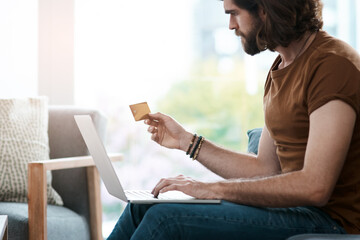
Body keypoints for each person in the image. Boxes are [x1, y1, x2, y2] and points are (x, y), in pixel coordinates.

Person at [108, 0, 360, 239]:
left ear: (265, 10)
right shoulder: (280, 68)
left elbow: (315, 187)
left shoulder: (332, 65)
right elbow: (264, 169)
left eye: (234, 13)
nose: (230, 25)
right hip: (296, 210)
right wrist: (186, 140)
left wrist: (212, 189)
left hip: (331, 221)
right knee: (140, 207)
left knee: (166, 219)